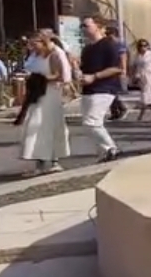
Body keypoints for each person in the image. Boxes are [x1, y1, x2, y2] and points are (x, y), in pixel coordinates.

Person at [16, 34, 70, 175]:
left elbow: (60, 75)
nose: (33, 47)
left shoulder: (53, 55)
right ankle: (40, 162)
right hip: (37, 94)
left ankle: (53, 160)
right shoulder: (35, 56)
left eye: (35, 44)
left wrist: (41, 78)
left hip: (50, 94)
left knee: (47, 125)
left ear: (43, 42)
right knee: (35, 126)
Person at [78, 17, 123, 162]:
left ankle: (111, 148)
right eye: (82, 26)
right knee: (89, 124)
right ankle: (103, 154)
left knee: (91, 122)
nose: (83, 28)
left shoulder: (109, 44)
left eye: (86, 25)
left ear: (98, 26)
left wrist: (95, 76)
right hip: (88, 89)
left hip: (105, 88)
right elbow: (84, 69)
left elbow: (118, 68)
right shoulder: (87, 48)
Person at [132, 39, 151, 122]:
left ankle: (140, 116)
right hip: (142, 79)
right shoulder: (137, 56)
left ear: (148, 46)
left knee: (146, 99)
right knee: (147, 99)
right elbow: (135, 67)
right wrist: (134, 77)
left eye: (145, 45)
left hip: (150, 78)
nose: (143, 47)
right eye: (141, 45)